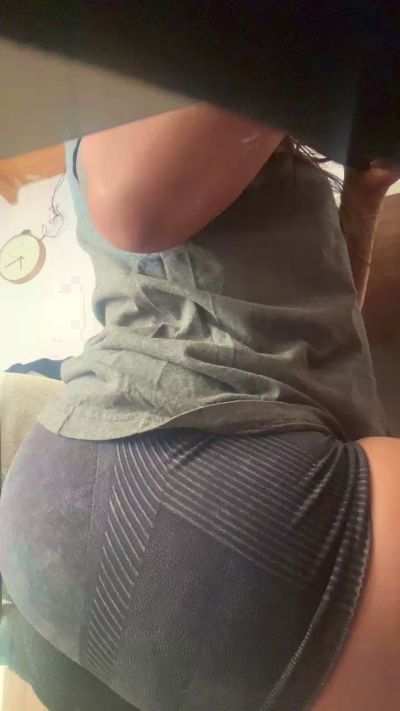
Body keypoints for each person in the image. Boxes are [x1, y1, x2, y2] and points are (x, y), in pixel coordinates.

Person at [0, 102, 399, 711]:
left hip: (77, 508)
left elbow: (313, 333)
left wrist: (364, 199)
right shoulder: (149, 86)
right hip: (182, 458)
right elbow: (129, 206)